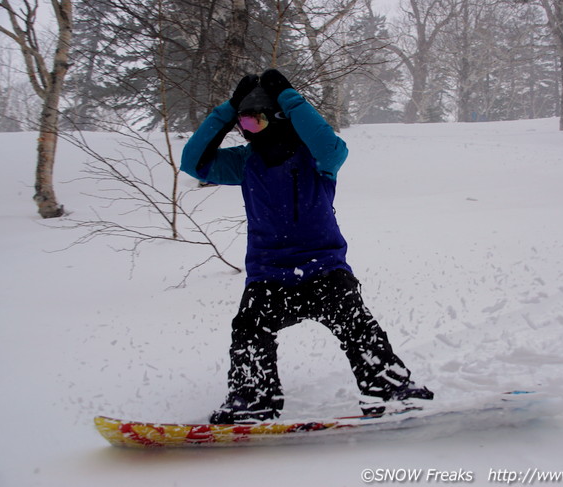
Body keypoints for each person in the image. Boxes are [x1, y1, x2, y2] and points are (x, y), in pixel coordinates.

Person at [181, 69, 433, 424]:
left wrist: (288, 95)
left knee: (358, 327)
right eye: (243, 124)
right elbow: (193, 163)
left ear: (279, 119)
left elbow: (332, 145)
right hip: (269, 275)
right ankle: (253, 399)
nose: (246, 130)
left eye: (254, 121)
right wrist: (228, 109)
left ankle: (388, 389)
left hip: (323, 269)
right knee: (249, 330)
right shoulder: (246, 162)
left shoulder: (316, 157)